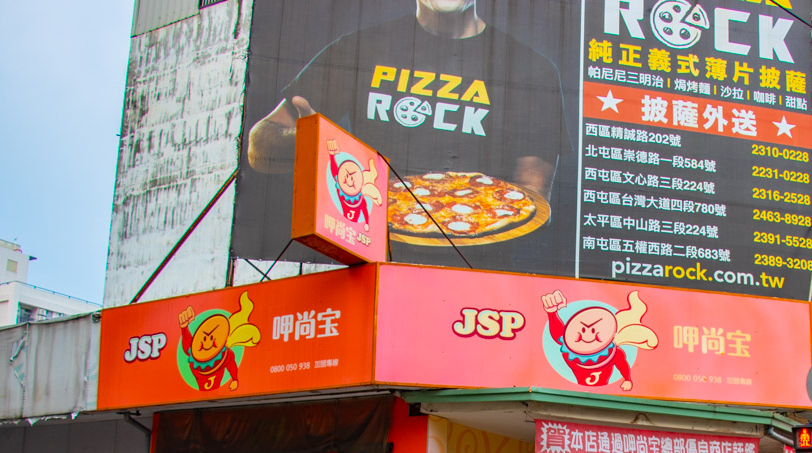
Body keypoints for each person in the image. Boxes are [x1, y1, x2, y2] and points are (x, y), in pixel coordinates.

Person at [240, 0, 569, 264]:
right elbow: (259, 145)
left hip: (476, 274)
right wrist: (320, 146)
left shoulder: (530, 68)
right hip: (370, 262)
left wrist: (464, 210)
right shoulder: (358, 49)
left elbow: (532, 196)